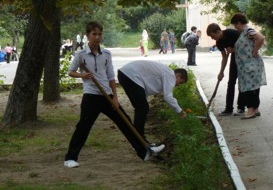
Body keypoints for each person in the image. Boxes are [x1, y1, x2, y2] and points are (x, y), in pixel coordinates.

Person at [64, 22, 165, 168]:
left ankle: (144, 152)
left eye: (99, 34)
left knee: (125, 122)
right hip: (91, 96)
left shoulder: (106, 54)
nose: (97, 37)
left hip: (108, 96)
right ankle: (70, 158)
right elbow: (71, 71)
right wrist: (82, 75)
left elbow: (111, 76)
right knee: (83, 126)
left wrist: (115, 98)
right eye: (94, 34)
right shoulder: (80, 55)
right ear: (87, 36)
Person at [118, 60, 188, 142]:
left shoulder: (165, 73)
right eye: (181, 82)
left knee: (141, 108)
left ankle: (138, 138)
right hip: (130, 75)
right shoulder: (170, 75)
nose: (178, 85)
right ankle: (139, 139)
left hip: (124, 74)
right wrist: (180, 111)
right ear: (178, 75)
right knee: (143, 108)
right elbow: (168, 97)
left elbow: (145, 89)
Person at [230, 13, 267, 119]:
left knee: (249, 88)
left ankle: (250, 110)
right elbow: (244, 46)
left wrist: (255, 51)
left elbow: (260, 38)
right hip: (247, 66)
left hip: (250, 65)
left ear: (239, 22)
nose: (235, 27)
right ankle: (255, 109)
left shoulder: (248, 30)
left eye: (235, 25)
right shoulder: (244, 32)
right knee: (253, 87)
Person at [206, 23, 245, 116]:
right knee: (231, 82)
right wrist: (221, 72)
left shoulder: (232, 33)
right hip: (234, 58)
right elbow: (224, 57)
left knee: (242, 83)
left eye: (213, 36)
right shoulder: (219, 42)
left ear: (218, 31)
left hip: (244, 58)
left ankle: (241, 108)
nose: (212, 38)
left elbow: (245, 44)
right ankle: (228, 109)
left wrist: (234, 49)